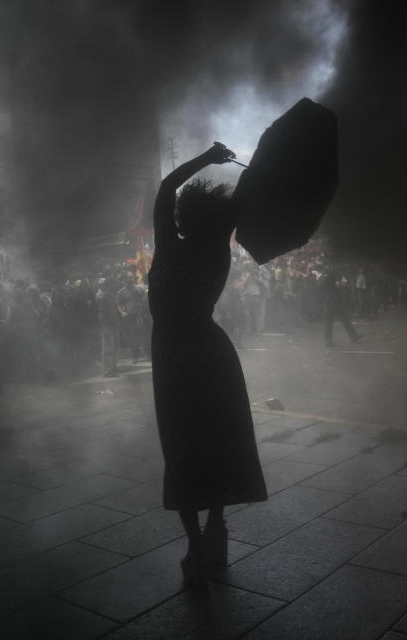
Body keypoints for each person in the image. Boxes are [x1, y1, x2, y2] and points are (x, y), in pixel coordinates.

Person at [148, 144, 267, 586]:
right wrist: (255, 174)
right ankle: (214, 524)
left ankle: (197, 539)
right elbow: (239, 200)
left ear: (182, 215)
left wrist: (209, 157)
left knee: (181, 444)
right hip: (208, 350)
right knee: (216, 435)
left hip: (174, 354)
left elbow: (165, 186)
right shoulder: (217, 249)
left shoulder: (167, 244)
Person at [323, 266, 361, 347]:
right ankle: (353, 336)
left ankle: (329, 341)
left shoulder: (329, 273)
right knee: (343, 319)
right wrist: (346, 285)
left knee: (332, 320)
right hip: (335, 300)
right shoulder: (336, 272)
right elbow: (338, 284)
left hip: (331, 300)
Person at [96, 275, 120, 377]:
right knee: (107, 348)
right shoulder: (104, 296)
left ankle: (113, 367)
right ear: (109, 285)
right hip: (107, 325)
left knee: (114, 346)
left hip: (112, 324)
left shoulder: (111, 295)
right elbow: (102, 313)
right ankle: (107, 370)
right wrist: (105, 325)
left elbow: (113, 311)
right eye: (113, 284)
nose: (115, 286)